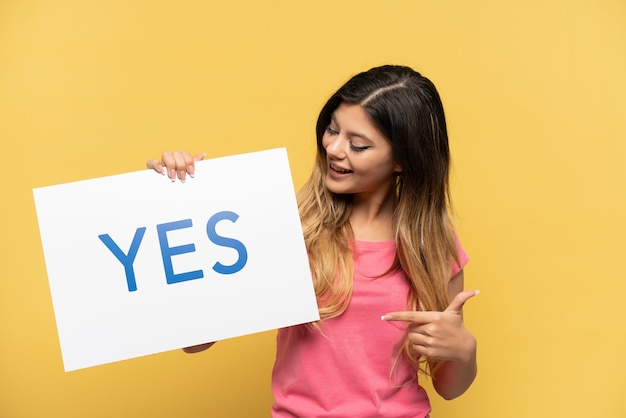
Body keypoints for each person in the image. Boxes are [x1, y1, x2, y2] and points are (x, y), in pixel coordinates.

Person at [147, 64, 478, 417]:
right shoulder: (287, 228)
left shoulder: (435, 248)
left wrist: (464, 350)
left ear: (402, 160)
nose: (334, 148)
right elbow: (195, 342)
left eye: (358, 144)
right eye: (332, 130)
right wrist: (184, 200)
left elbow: (449, 388)